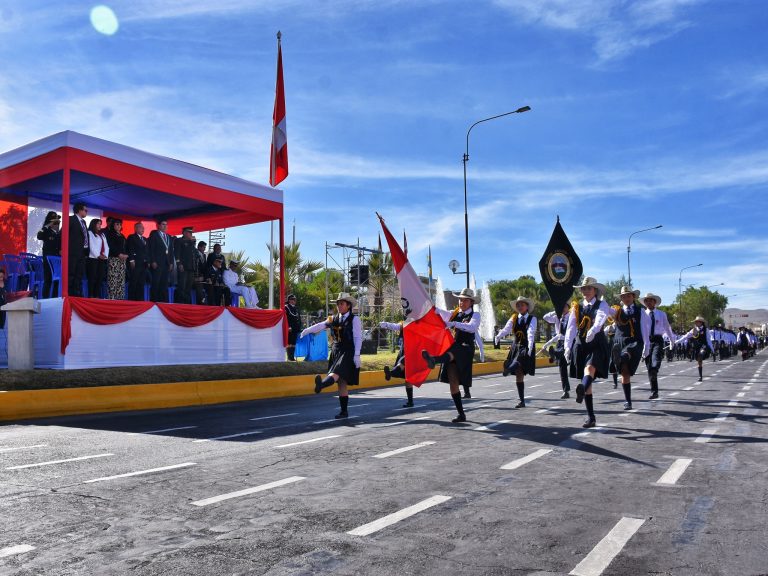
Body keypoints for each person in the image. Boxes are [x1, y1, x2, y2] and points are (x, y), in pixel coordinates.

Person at [421, 288, 481, 423]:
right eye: (460, 299)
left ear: (471, 302)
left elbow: (472, 327)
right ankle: (461, 414)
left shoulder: (475, 315)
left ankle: (434, 359)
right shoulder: (454, 314)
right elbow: (440, 313)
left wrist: (453, 323)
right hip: (453, 350)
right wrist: (430, 306)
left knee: (453, 352)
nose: (462, 302)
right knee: (453, 383)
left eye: (465, 300)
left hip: (465, 349)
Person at [301, 293, 362, 419]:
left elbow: (358, 338)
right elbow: (321, 325)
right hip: (336, 349)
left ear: (348, 305)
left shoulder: (354, 319)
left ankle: (321, 385)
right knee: (341, 382)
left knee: (336, 372)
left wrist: (357, 355)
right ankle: (344, 412)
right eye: (338, 303)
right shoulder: (333, 318)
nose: (339, 306)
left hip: (348, 350)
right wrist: (307, 330)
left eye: (342, 303)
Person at [564, 277, 612, 428]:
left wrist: (594, 329)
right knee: (587, 377)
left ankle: (582, 389)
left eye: (589, 288)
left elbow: (600, 318)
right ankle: (591, 417)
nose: (586, 291)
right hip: (581, 344)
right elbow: (571, 327)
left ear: (595, 290)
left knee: (590, 368)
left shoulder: (602, 304)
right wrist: (567, 346)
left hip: (596, 342)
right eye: (583, 289)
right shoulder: (576, 307)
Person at [609, 286, 650, 410]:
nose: (626, 298)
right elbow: (604, 311)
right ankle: (628, 401)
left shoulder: (640, 311)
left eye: (628, 295)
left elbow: (644, 328)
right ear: (621, 298)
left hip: (635, 342)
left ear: (633, 297)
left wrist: (646, 346)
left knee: (627, 353)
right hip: (619, 341)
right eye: (623, 296)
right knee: (624, 372)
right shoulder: (616, 311)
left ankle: (621, 357)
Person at [494, 296, 537, 408]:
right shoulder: (513, 318)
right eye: (518, 305)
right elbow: (506, 329)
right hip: (515, 347)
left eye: (522, 304)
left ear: (527, 306)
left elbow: (531, 333)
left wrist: (530, 346)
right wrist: (498, 336)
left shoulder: (532, 319)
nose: (519, 307)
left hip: (526, 346)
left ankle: (509, 368)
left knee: (519, 362)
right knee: (519, 374)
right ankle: (522, 401)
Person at [641, 292, 676, 399]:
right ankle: (654, 392)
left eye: (651, 300)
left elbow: (667, 328)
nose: (648, 302)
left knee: (655, 360)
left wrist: (672, 340)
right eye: (646, 300)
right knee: (649, 367)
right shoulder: (642, 314)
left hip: (657, 339)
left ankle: (656, 366)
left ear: (655, 302)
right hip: (646, 340)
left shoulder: (661, 314)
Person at [379, 320, 416, 407]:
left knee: (402, 364)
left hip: (414, 350)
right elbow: (396, 326)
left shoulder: (420, 322)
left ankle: (390, 373)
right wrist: (386, 324)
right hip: (405, 349)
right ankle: (410, 402)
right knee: (407, 377)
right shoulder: (405, 323)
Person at [542, 302, 571, 398]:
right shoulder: (557, 317)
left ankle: (554, 354)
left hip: (569, 342)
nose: (563, 308)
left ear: (568, 307)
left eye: (564, 306)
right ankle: (565, 390)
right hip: (559, 343)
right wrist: (556, 311)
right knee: (562, 369)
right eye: (561, 306)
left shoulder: (571, 317)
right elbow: (545, 317)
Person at [675, 316, 714, 381]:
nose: (695, 323)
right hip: (697, 347)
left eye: (697, 322)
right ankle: (700, 376)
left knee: (701, 354)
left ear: (701, 322)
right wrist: (677, 342)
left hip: (704, 346)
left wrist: (712, 349)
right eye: (695, 322)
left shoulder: (705, 329)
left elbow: (708, 340)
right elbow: (685, 336)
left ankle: (702, 356)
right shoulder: (693, 330)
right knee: (699, 361)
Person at [148, 220, 174, 302]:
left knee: (164, 284)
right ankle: (154, 302)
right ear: (158, 226)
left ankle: (164, 302)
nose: (165, 226)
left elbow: (171, 251)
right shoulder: (154, 235)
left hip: (166, 263)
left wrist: (171, 262)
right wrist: (152, 261)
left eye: (166, 224)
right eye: (163, 224)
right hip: (157, 263)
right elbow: (151, 249)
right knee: (156, 283)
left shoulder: (169, 237)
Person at [36, 211, 61, 298]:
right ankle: (45, 298)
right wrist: (47, 225)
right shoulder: (46, 230)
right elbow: (39, 236)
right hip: (48, 259)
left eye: (58, 222)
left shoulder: (59, 233)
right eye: (55, 222)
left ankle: (54, 298)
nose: (57, 224)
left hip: (57, 259)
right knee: (48, 279)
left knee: (57, 280)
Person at [68, 202, 89, 296]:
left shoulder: (84, 222)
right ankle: (70, 294)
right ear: (79, 210)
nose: (86, 212)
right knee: (71, 274)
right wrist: (62, 248)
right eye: (85, 210)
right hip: (73, 251)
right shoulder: (71, 219)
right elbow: (63, 234)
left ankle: (77, 294)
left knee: (79, 274)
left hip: (82, 252)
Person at [104, 218, 128, 300]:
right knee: (113, 278)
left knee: (121, 279)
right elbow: (110, 246)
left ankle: (120, 298)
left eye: (120, 224)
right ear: (113, 225)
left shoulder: (122, 235)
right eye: (117, 224)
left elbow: (125, 247)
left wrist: (126, 255)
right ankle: (112, 298)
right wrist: (118, 254)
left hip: (122, 260)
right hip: (114, 259)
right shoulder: (110, 234)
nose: (119, 226)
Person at [86, 218, 109, 298]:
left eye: (100, 224)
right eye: (98, 224)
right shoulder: (89, 233)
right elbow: (91, 246)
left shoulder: (102, 234)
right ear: (93, 224)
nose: (100, 225)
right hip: (93, 258)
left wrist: (105, 255)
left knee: (100, 277)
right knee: (92, 277)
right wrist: (98, 255)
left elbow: (106, 246)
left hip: (102, 259)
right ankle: (91, 295)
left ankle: (97, 295)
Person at [126, 223, 149, 301]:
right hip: (135, 263)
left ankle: (140, 300)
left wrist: (148, 261)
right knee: (134, 282)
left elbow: (147, 252)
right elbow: (130, 249)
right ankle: (132, 300)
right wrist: (131, 260)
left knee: (141, 283)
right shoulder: (132, 237)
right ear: (135, 229)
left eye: (143, 228)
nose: (142, 229)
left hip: (144, 264)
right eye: (140, 227)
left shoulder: (145, 239)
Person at [174, 226, 196, 304]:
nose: (190, 234)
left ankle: (187, 304)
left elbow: (193, 255)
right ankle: (180, 303)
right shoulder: (179, 240)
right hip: (183, 267)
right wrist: (179, 263)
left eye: (191, 232)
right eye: (189, 232)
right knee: (182, 286)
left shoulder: (191, 242)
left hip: (191, 268)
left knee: (188, 287)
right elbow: (177, 253)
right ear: (184, 233)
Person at [285, 294, 302, 361]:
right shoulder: (286, 307)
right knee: (289, 343)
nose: (293, 301)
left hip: (295, 328)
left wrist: (299, 327)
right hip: (290, 328)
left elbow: (299, 318)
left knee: (294, 343)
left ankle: (292, 357)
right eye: (292, 299)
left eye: (294, 299)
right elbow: (286, 319)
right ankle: (289, 357)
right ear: (289, 300)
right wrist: (288, 326)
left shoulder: (296, 308)